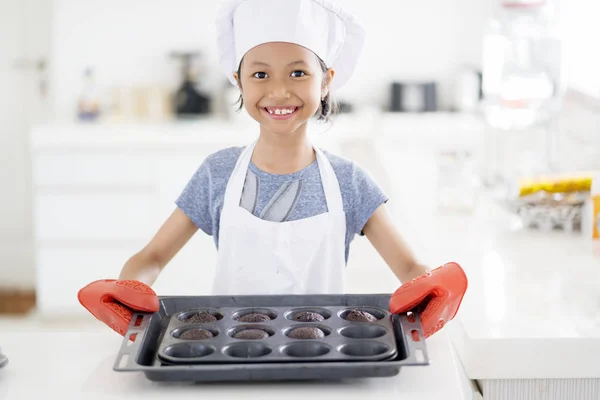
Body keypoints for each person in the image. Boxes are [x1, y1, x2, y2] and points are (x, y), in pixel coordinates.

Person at [78, 0, 467, 340]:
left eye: (298, 73)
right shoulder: (219, 173)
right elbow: (153, 256)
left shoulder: (349, 182)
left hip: (326, 353)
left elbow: (409, 267)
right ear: (239, 82)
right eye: (260, 75)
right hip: (227, 353)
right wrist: (129, 288)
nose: (279, 91)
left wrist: (432, 292)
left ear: (327, 81)